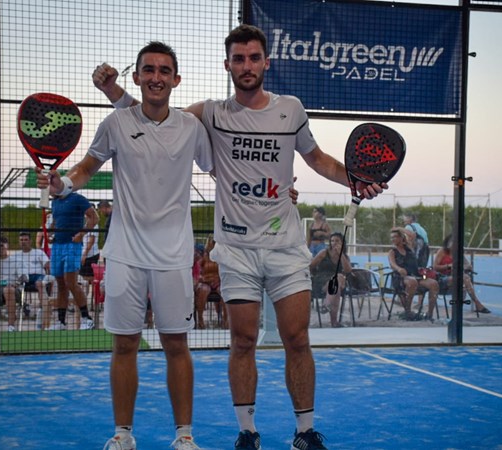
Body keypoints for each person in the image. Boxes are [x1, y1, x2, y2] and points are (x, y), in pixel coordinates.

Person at [93, 24, 385, 450]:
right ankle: (247, 432)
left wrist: (355, 180)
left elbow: (317, 158)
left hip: (285, 245)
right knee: (243, 340)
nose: (246, 66)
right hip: (236, 249)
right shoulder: (210, 113)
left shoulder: (291, 109)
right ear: (227, 65)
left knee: (298, 338)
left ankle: (305, 433)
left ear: (266, 62)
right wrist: (115, 93)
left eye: (253, 58)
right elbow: (154, 115)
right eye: (238, 59)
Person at [42, 41, 213, 450]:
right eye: (148, 69)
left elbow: (220, 168)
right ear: (136, 76)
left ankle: (184, 436)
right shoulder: (115, 124)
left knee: (177, 344)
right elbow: (87, 167)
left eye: (164, 70)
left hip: (173, 256)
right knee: (124, 344)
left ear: (176, 79)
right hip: (124, 253)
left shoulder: (191, 128)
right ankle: (123, 435)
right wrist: (62, 185)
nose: (156, 77)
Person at [48, 191, 98, 331]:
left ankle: (86, 318)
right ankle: (61, 322)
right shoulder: (55, 202)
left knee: (71, 282)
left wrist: (81, 234)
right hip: (57, 245)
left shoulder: (77, 198)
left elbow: (94, 218)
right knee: (60, 284)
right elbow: (56, 221)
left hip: (72, 245)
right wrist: (50, 232)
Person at [388, 227, 439, 321]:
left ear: (401, 237)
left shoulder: (409, 247)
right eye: (392, 238)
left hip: (415, 275)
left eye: (395, 237)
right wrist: (399, 269)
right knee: (412, 282)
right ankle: (408, 311)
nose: (393, 239)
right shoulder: (392, 251)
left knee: (433, 283)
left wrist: (399, 228)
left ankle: (430, 314)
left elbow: (412, 235)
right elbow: (392, 264)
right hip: (401, 277)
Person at [433, 234, 491, 314]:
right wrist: (449, 266)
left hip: (455, 280)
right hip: (442, 280)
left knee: (463, 284)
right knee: (464, 279)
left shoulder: (458, 253)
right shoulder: (442, 251)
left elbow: (469, 266)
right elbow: (435, 267)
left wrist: (461, 267)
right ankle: (477, 303)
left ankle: (458, 309)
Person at [309, 232, 352, 328]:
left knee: (337, 283)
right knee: (338, 281)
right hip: (322, 280)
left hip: (335, 283)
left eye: (337, 241)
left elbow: (348, 270)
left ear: (342, 243)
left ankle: (327, 306)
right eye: (332, 241)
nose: (334, 243)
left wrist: (341, 255)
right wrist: (313, 275)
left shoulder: (344, 256)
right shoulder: (324, 253)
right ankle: (334, 321)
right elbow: (311, 266)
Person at [12, 232, 52, 328]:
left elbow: (48, 265)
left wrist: (49, 276)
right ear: (19, 241)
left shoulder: (38, 252)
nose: (23, 242)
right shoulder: (15, 255)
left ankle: (42, 309)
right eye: (21, 240)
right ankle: (16, 314)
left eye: (26, 240)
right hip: (23, 278)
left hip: (38, 276)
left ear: (30, 241)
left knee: (40, 283)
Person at [194, 237, 225, 329]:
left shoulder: (222, 257)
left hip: (218, 281)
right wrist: (204, 279)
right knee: (204, 290)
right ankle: (200, 318)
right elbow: (198, 271)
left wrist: (219, 280)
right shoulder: (204, 257)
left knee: (223, 290)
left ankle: (225, 319)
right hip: (206, 281)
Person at [79, 205, 100, 297]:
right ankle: (85, 298)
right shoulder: (87, 223)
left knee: (86, 279)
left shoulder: (93, 225)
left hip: (90, 255)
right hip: (87, 253)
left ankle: (87, 298)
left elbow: (91, 241)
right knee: (85, 279)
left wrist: (84, 255)